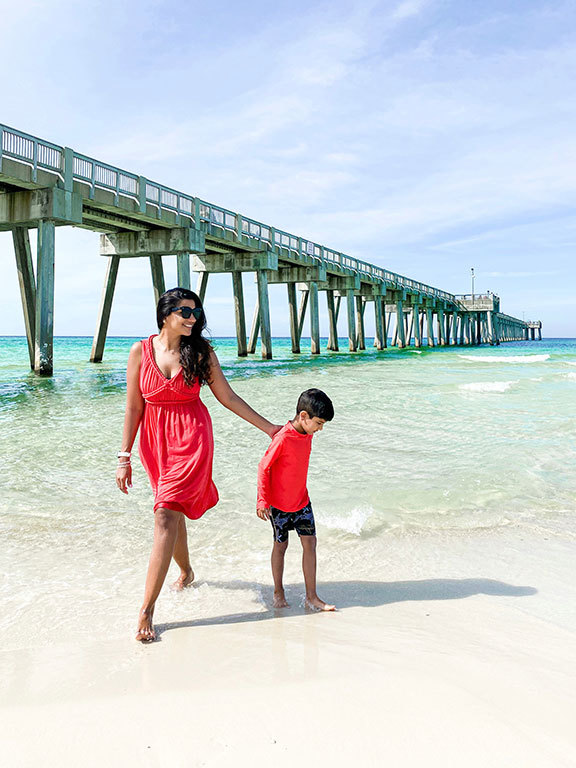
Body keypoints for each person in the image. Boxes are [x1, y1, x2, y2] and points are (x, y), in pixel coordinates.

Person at [116, 287, 280, 642]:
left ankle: (146, 609)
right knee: (171, 513)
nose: (193, 318)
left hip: (192, 437)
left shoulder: (201, 352)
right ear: (166, 314)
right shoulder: (139, 352)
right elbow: (133, 408)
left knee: (164, 514)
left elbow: (228, 396)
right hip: (154, 444)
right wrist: (124, 457)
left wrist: (270, 428)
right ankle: (186, 572)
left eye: (195, 312)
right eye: (185, 312)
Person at [256, 388, 335, 611]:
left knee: (310, 544)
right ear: (303, 416)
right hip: (279, 506)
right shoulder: (282, 438)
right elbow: (264, 467)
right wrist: (262, 500)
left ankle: (312, 596)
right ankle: (278, 591)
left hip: (302, 501)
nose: (320, 429)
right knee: (281, 546)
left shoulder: (307, 434)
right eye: (319, 423)